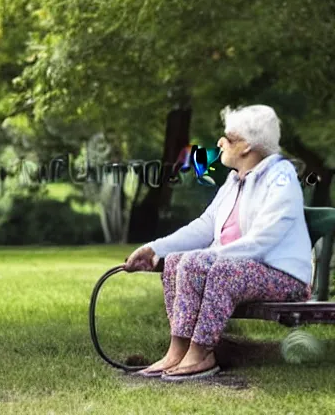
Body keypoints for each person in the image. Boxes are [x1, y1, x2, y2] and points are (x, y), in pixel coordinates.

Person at [124, 104, 312, 381]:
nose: (220, 142)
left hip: (284, 277)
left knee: (217, 268)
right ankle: (178, 350)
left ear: (247, 146)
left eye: (229, 137)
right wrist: (156, 248)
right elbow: (204, 226)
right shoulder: (234, 181)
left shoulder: (281, 179)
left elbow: (262, 241)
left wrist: (211, 257)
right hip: (242, 268)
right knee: (176, 261)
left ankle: (202, 354)